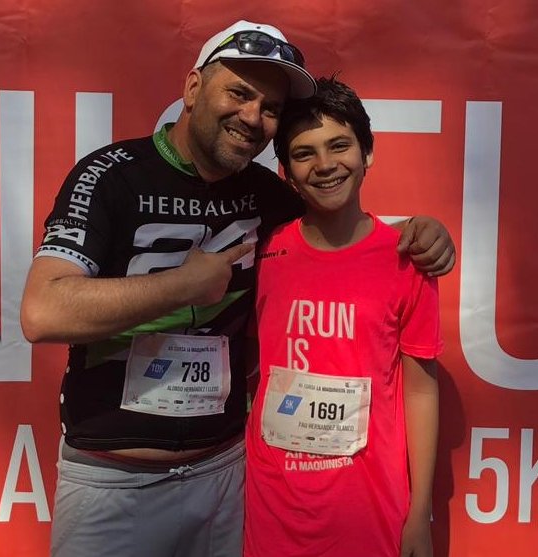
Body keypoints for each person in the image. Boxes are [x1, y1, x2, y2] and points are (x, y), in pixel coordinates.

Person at [20, 20, 452, 557]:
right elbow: (42, 312)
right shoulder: (111, 175)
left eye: (269, 108)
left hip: (223, 477)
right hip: (112, 480)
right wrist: (182, 286)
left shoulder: (267, 194)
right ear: (193, 88)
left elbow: (339, 226)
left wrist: (420, 230)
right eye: (239, 93)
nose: (252, 117)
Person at [244, 76, 442, 557]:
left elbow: (420, 390)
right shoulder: (261, 252)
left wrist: (419, 512)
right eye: (304, 153)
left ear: (366, 153)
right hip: (270, 506)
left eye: (339, 145)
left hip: (368, 510)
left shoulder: (408, 258)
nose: (325, 165)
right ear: (287, 173)